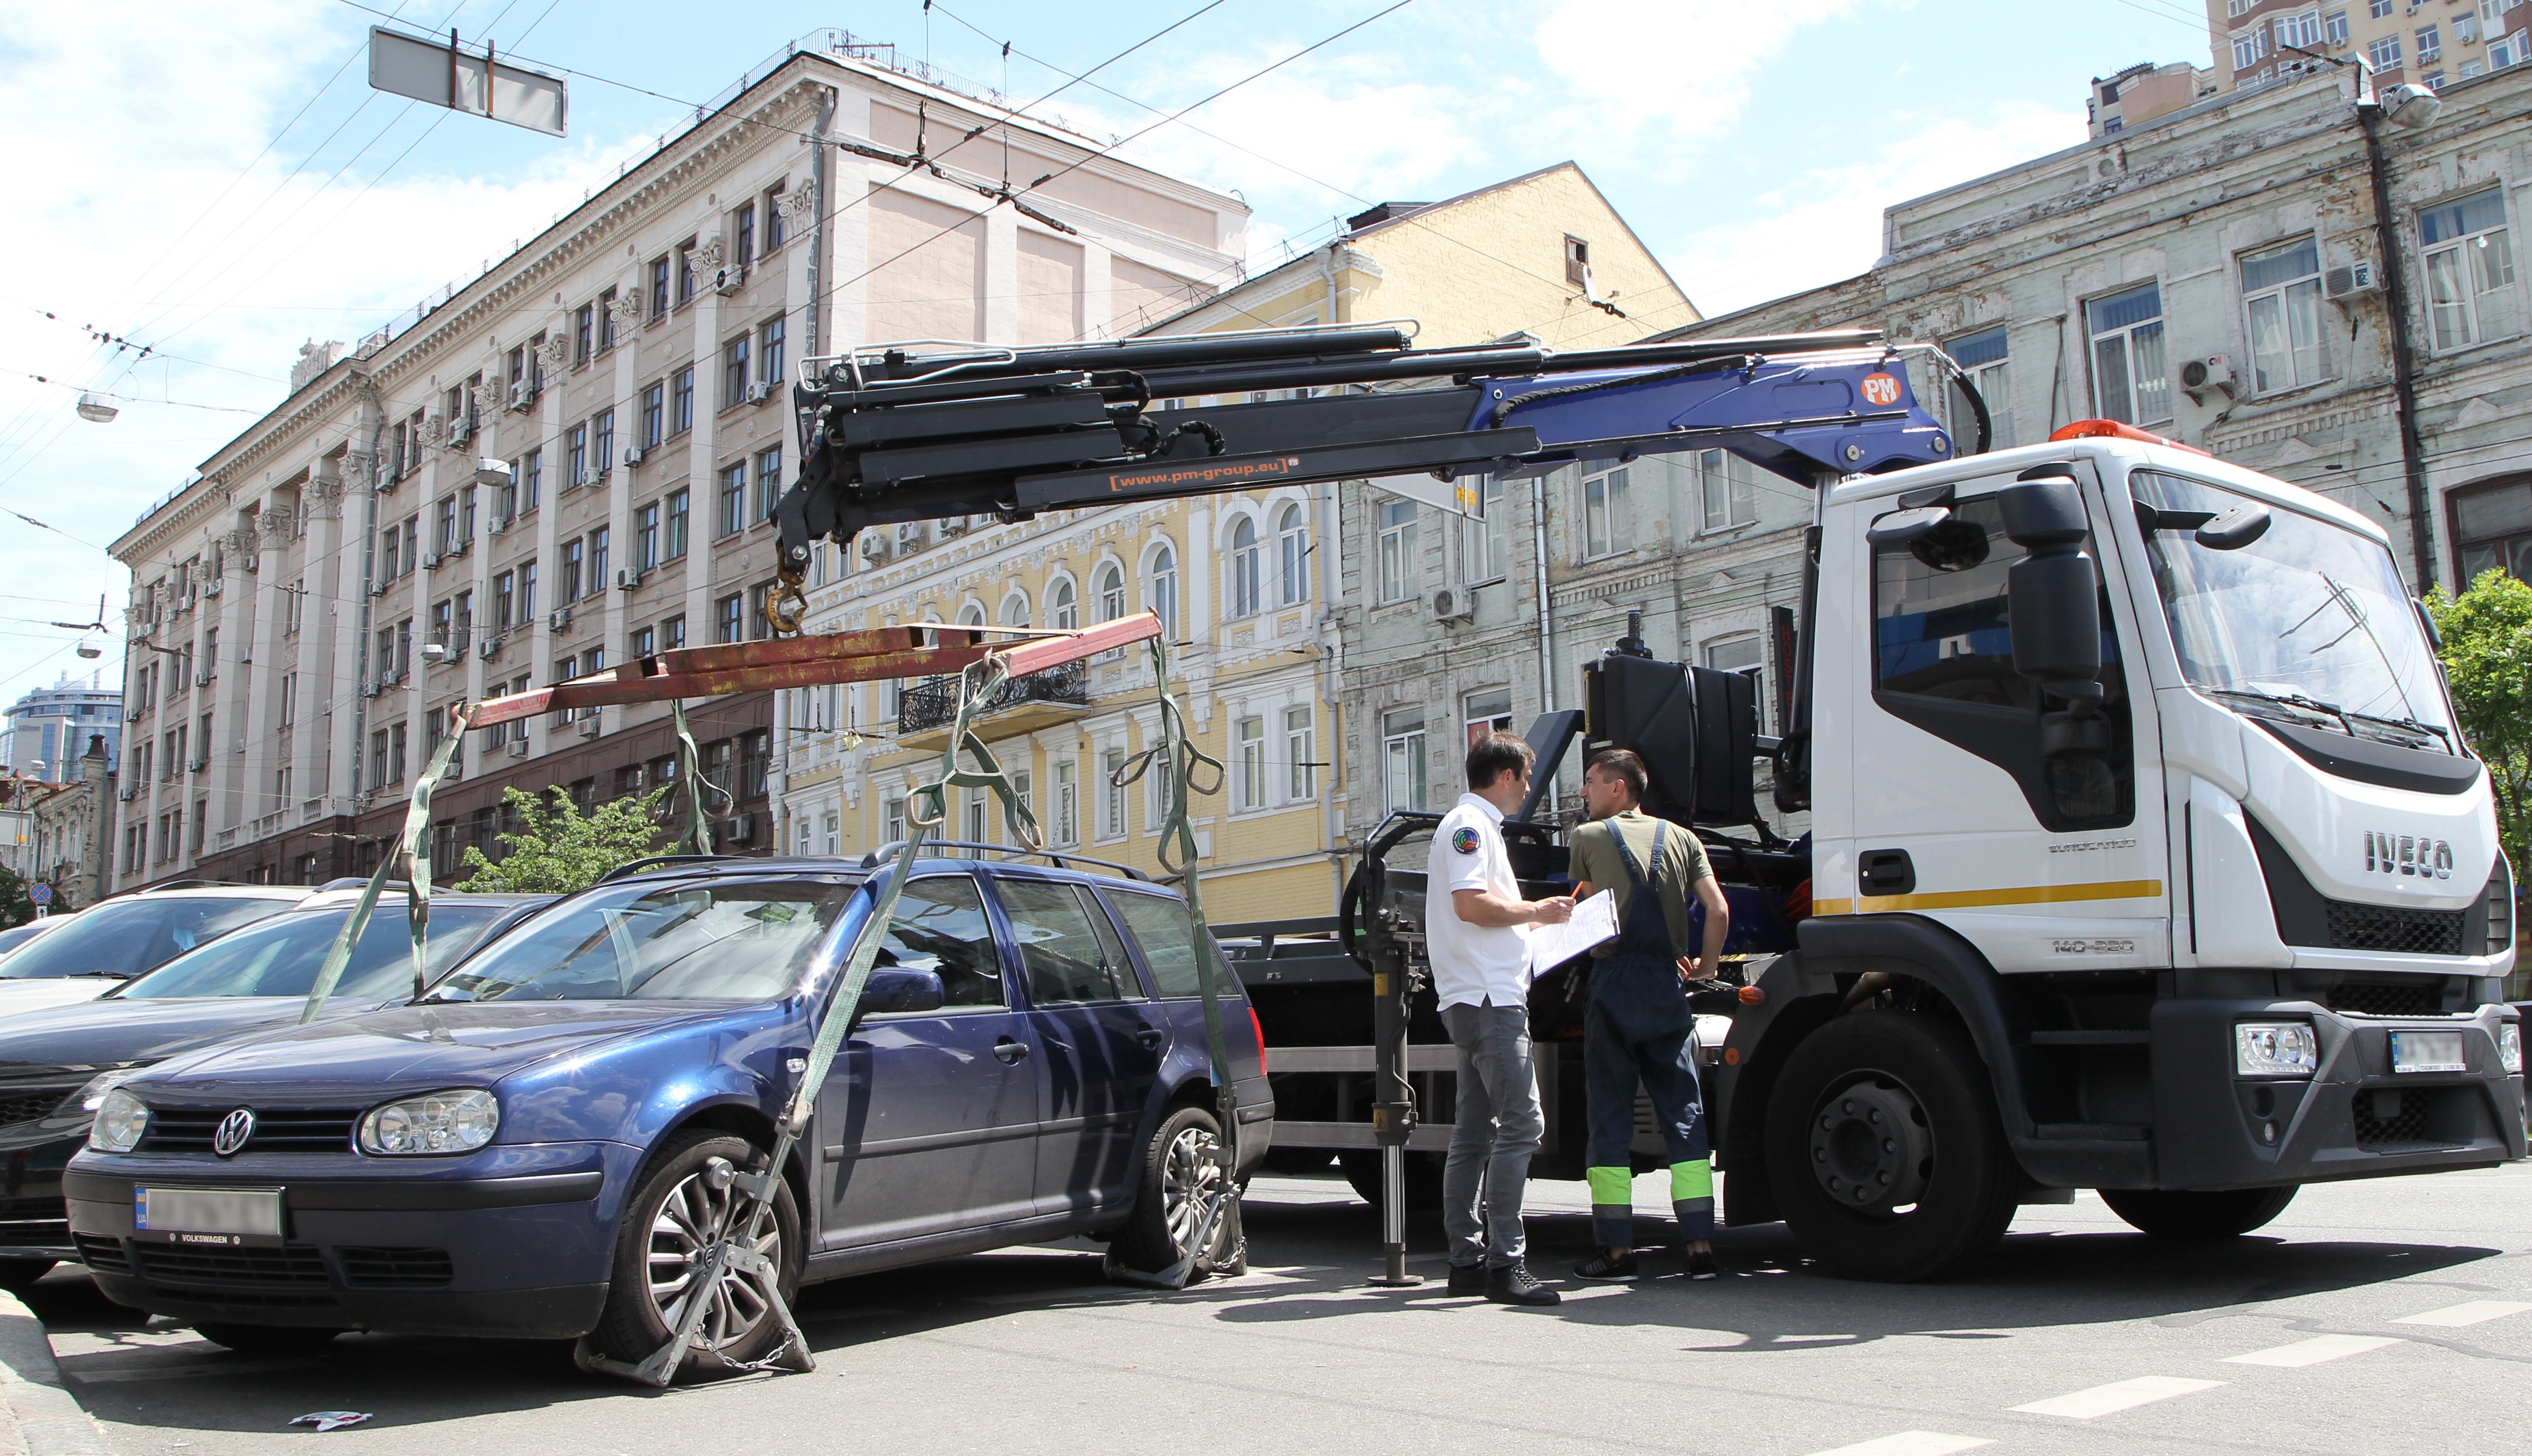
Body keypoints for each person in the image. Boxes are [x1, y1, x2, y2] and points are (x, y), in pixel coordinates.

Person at [1563, 748, 1730, 1282]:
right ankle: (1700, 1246)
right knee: (1683, 1113)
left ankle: (1615, 1252)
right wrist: (1703, 967)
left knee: (1610, 1117)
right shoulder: (1683, 838)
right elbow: (1718, 909)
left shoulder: (1587, 839)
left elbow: (1588, 913)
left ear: (1617, 788)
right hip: (1666, 984)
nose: (1583, 792)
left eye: (1590, 781)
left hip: (1613, 985)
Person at [1426, 730, 1573, 1306]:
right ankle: (1504, 1263)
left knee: (1473, 1133)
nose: (1530, 789)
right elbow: (1471, 905)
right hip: (1489, 1000)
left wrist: (1533, 923)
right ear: (1507, 776)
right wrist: (1537, 910)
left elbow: (1478, 912)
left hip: (1476, 995)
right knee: (1522, 1126)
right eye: (1528, 777)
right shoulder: (1470, 827)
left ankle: (1466, 1260)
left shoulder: (1472, 827)